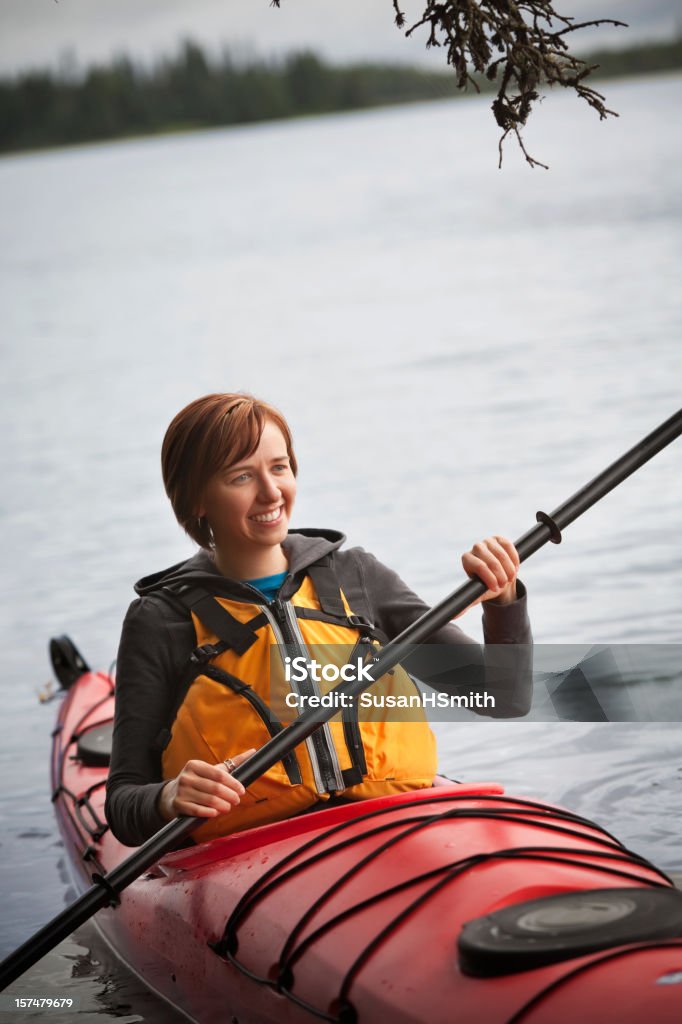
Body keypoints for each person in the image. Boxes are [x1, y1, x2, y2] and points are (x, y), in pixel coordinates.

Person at [105, 394, 532, 847]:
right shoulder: (161, 619)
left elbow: (504, 697)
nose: (271, 493)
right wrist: (169, 797)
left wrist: (502, 601)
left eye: (280, 467)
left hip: (397, 826)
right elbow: (124, 803)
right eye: (242, 476)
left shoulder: (357, 577)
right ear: (196, 500)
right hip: (257, 855)